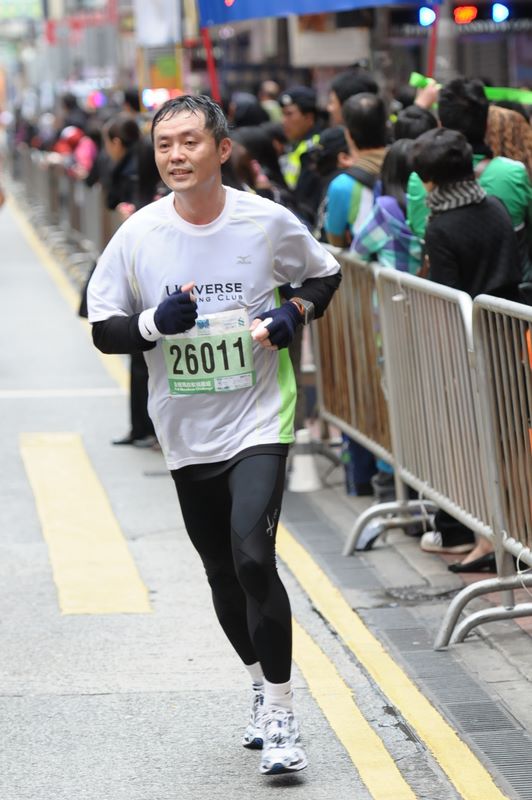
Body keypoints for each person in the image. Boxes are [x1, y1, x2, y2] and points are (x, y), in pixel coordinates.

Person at [87, 94, 341, 775]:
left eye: (190, 141)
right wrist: (153, 324)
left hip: (259, 414)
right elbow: (103, 327)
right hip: (185, 427)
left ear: (222, 149)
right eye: (164, 144)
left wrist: (293, 313)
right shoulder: (139, 235)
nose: (176, 155)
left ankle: (283, 715)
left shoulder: (265, 220)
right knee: (222, 572)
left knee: (254, 558)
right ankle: (259, 686)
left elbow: (324, 274)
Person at [411, 127, 522, 561]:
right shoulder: (494, 205)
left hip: (469, 346)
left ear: (429, 180)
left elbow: (447, 297)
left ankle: (488, 541)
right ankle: (519, 535)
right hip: (509, 335)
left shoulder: (441, 226)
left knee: (474, 442)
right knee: (513, 437)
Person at [325, 92, 388, 249]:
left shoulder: (342, 185)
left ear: (348, 134)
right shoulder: (408, 165)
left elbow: (336, 240)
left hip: (365, 260)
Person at [352, 138, 422, 274]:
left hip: (393, 287)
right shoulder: (430, 204)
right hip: (427, 286)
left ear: (388, 170)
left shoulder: (386, 209)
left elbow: (357, 251)